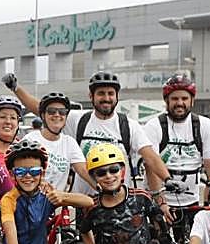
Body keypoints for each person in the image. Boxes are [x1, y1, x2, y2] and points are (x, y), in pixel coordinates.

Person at [66, 72, 169, 205]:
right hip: (85, 202)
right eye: (101, 93)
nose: (106, 98)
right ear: (91, 96)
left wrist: (167, 179)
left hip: (119, 202)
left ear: (117, 96)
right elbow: (44, 110)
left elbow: (150, 156)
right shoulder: (78, 120)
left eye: (111, 93)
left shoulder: (129, 125)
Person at [141, 74, 210, 220]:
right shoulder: (154, 126)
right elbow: (151, 166)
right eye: (174, 99)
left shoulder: (204, 125)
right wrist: (161, 203)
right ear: (166, 101)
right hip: (160, 199)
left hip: (192, 201)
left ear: (192, 101)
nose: (179, 103)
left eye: (184, 99)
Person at [31, 92, 88, 192]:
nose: (57, 115)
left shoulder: (69, 142)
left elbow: (83, 170)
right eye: (51, 111)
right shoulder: (32, 139)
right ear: (43, 115)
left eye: (62, 112)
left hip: (56, 203)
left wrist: (102, 188)